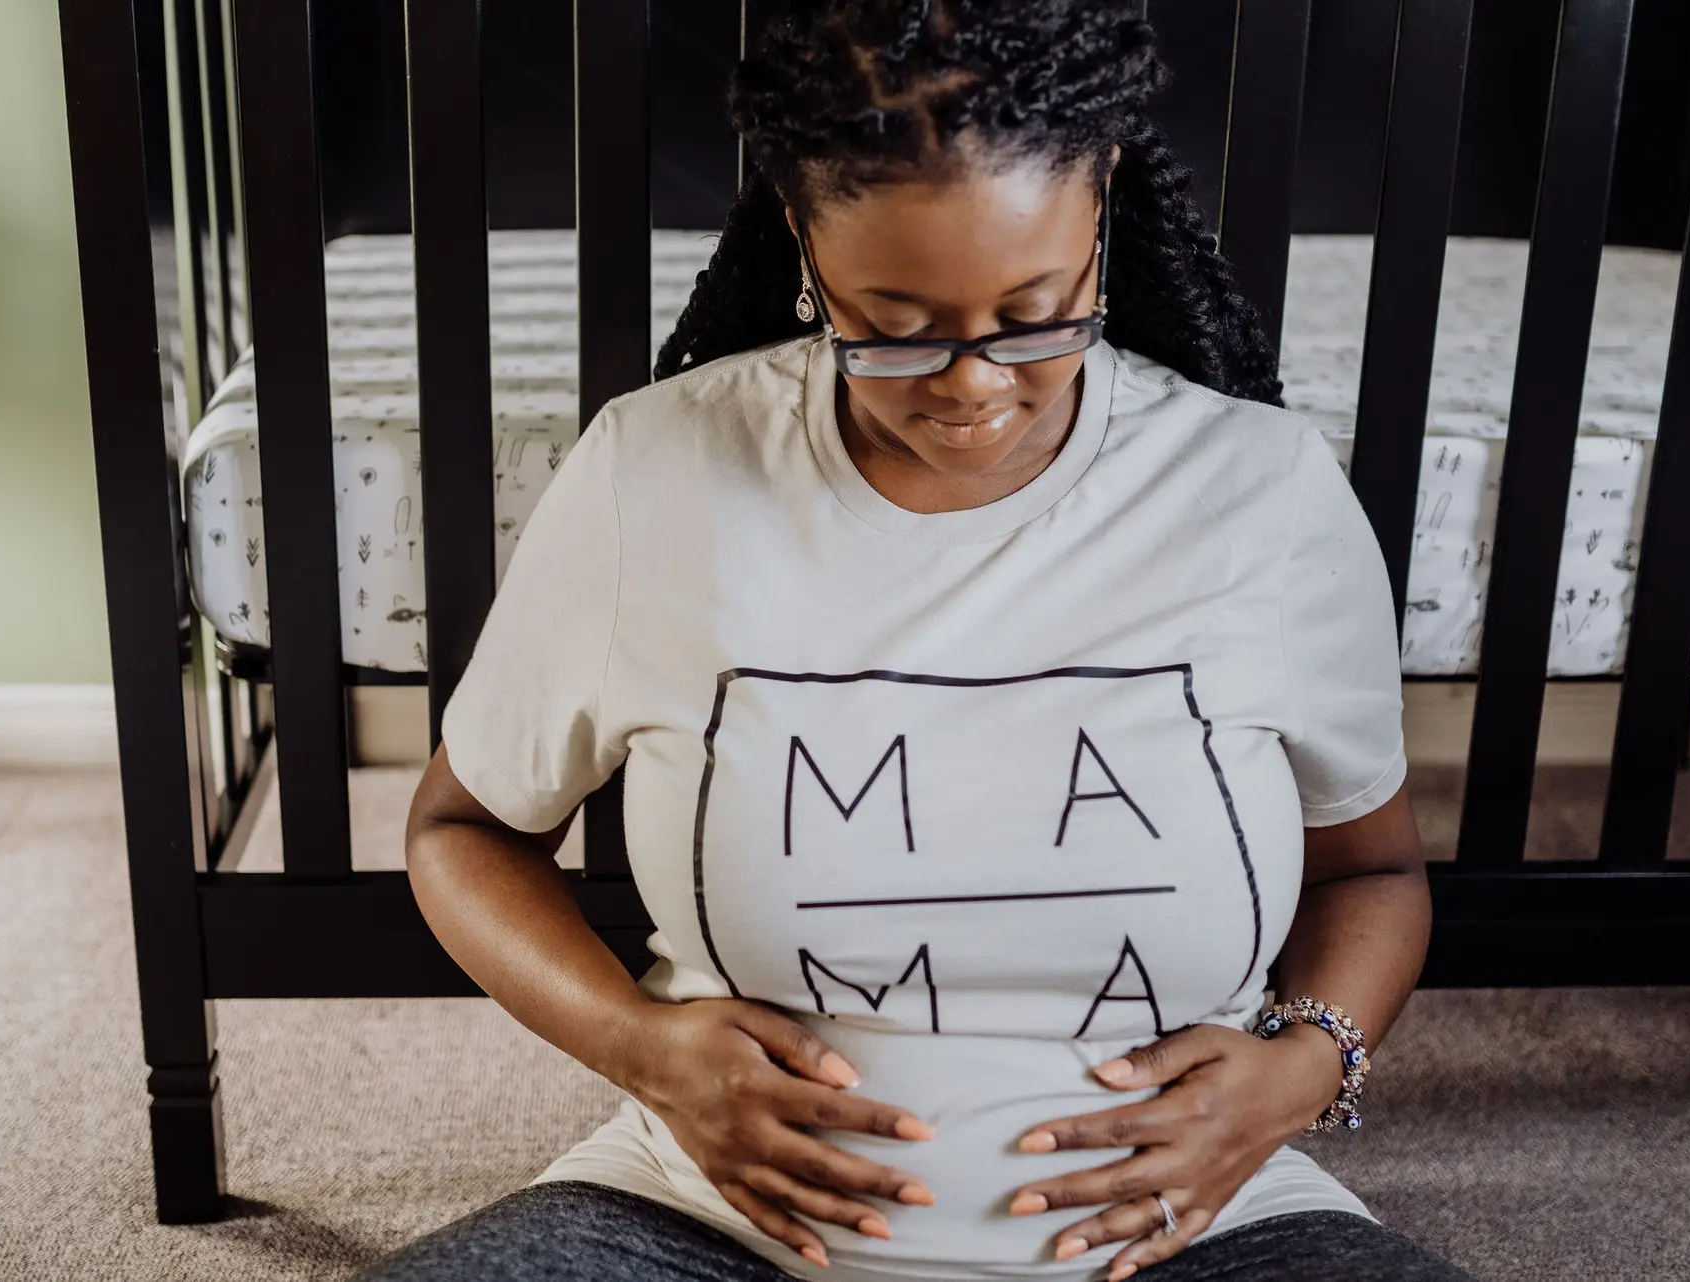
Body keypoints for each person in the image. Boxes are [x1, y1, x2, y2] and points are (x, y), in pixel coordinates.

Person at [357, 3, 1469, 1280]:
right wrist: (641, 1047)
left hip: (1193, 1238)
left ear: (1103, 203)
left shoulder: (1259, 492)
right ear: (801, 233)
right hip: (709, 1226)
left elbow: (1371, 877)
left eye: (1035, 314)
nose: (974, 385)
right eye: (896, 326)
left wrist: (1302, 1069)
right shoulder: (653, 475)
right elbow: (461, 833)